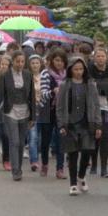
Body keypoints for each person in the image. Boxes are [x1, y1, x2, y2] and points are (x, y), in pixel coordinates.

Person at [56, 56, 102, 195]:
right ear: (70, 70)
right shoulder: (65, 84)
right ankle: (73, 183)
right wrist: (61, 125)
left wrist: (98, 124)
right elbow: (60, 107)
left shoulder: (90, 84)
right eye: (75, 69)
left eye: (81, 69)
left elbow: (96, 105)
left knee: (87, 151)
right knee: (73, 154)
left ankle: (81, 176)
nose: (78, 72)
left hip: (87, 123)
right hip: (70, 123)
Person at [0, 51, 35, 181]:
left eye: (22, 61)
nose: (20, 64)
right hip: (10, 112)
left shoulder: (28, 75)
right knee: (14, 141)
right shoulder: (5, 76)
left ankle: (19, 167)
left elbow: (32, 96)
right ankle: (15, 170)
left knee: (21, 143)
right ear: (12, 62)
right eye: (17, 61)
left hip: (25, 112)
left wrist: (33, 117)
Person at [88, 47, 108, 177]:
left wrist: (100, 85)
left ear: (106, 57)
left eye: (103, 56)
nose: (100, 58)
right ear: (94, 57)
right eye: (98, 56)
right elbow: (90, 84)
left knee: (106, 137)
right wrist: (105, 84)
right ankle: (94, 165)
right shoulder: (90, 68)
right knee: (94, 136)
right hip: (93, 106)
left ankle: (104, 167)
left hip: (107, 106)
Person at [38, 48, 68, 179]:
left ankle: (60, 168)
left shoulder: (67, 74)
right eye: (56, 60)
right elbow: (42, 94)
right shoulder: (45, 74)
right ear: (51, 61)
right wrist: (52, 92)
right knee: (46, 140)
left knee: (61, 139)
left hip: (62, 112)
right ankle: (44, 164)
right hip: (48, 111)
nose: (59, 63)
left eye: (61, 61)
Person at [27, 54, 44, 171]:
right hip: (31, 110)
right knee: (33, 136)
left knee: (40, 137)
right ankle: (34, 161)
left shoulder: (45, 77)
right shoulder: (26, 77)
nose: (35, 65)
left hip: (43, 109)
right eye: (32, 63)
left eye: (37, 63)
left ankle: (37, 154)